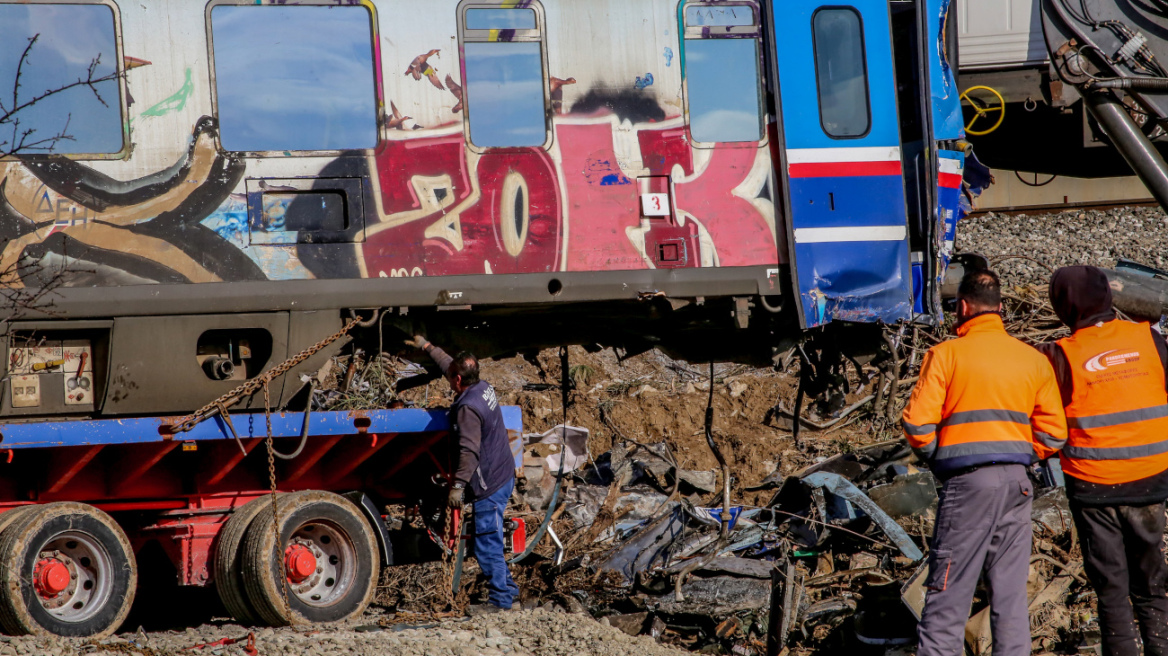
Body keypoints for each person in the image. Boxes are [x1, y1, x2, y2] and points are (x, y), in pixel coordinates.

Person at [902, 268, 1067, 656]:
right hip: (1018, 485)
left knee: (947, 598)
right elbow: (1054, 433)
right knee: (1010, 600)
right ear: (1001, 308)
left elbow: (917, 424)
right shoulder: (1032, 359)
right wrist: (1020, 456)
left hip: (969, 486)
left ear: (962, 307)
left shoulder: (946, 355)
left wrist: (940, 458)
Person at [1035, 266, 1168, 656]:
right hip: (1150, 480)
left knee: (1110, 586)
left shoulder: (1059, 355)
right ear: (1108, 297)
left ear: (1063, 306)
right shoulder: (1149, 339)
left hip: (1094, 488)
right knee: (1151, 580)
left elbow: (1046, 425)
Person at [407, 335, 519, 614]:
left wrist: (457, 486)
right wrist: (427, 347)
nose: (448, 379)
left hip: (489, 483)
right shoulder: (482, 386)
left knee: (487, 544)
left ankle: (501, 603)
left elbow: (469, 451)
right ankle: (510, 594)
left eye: (451, 377)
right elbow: (450, 365)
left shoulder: (468, 408)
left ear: (458, 379)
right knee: (491, 539)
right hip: (503, 473)